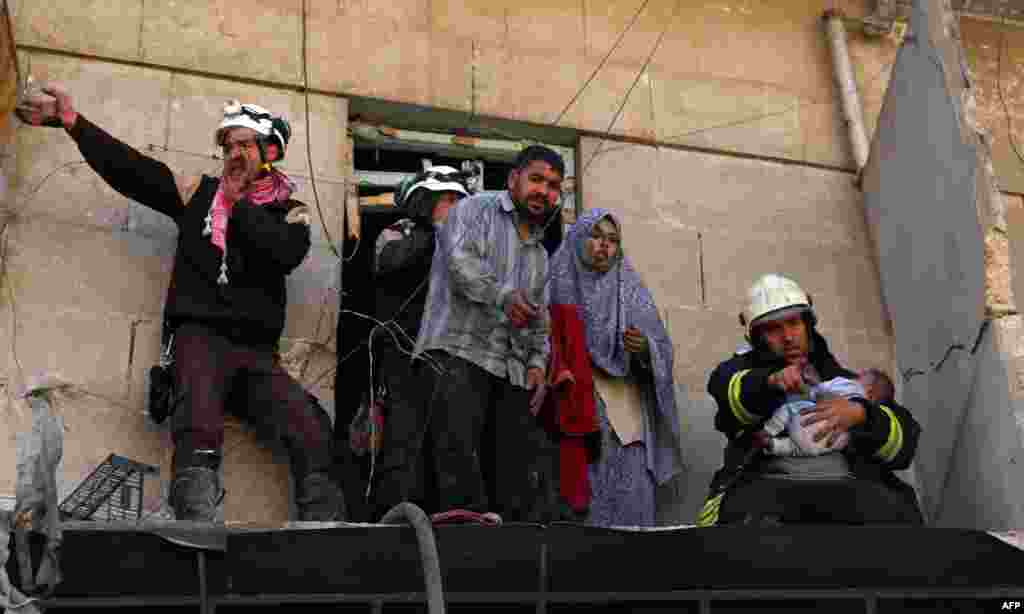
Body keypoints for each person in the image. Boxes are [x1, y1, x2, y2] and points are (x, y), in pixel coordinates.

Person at [16, 85, 345, 522]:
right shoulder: (197, 194)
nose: (234, 152)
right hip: (200, 340)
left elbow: (282, 253)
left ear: (270, 151)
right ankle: (195, 523)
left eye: (245, 143)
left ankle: (324, 532)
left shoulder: (291, 211)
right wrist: (75, 123)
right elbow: (132, 170)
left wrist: (233, 203)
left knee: (311, 428)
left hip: (256, 353)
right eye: (228, 145)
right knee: (198, 423)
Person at [413, 145, 565, 522]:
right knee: (458, 478)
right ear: (513, 179)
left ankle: (502, 571)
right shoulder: (475, 209)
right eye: (536, 179)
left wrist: (536, 364)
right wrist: (502, 296)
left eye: (553, 186)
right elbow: (460, 264)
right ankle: (458, 568)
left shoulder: (540, 255)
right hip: (456, 356)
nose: (544, 191)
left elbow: (539, 320)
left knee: (512, 485)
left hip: (508, 371)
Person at [699, 273, 922, 526]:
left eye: (794, 323)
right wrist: (770, 383)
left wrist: (861, 415)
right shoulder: (736, 374)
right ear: (756, 337)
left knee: (900, 511)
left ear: (807, 324)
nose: (788, 337)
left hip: (851, 490)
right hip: (769, 488)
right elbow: (732, 395)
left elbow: (903, 447)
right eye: (774, 328)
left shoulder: (849, 385)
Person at [546, 209, 684, 527]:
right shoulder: (556, 279)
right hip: (571, 407)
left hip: (624, 414)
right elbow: (538, 338)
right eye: (595, 236)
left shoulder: (630, 287)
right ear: (578, 238)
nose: (604, 246)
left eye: (612, 240)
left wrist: (646, 350)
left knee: (631, 493)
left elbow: (660, 345)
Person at [368, 166, 469, 518]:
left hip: (453, 359)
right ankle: (398, 528)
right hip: (403, 355)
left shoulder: (467, 246)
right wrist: (434, 233)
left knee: (452, 447)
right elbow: (388, 261)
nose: (456, 207)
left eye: (460, 200)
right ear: (425, 201)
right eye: (448, 199)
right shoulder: (398, 232)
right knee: (403, 448)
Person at [757, 366, 895, 458]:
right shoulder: (865, 424)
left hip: (809, 419)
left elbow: (824, 394)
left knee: (791, 408)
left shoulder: (853, 387)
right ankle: (774, 446)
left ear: (870, 391)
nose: (855, 377)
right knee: (795, 448)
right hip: (821, 443)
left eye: (860, 377)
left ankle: (768, 430)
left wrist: (815, 384)